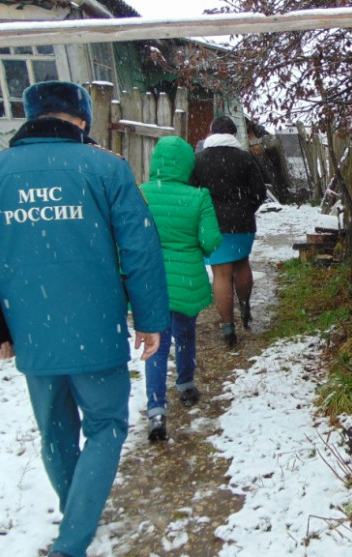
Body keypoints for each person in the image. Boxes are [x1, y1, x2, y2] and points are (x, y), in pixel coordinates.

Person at [0, 81, 169, 557]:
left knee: (55, 432)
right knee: (106, 425)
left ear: (31, 118)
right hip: (95, 325)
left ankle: (77, 514)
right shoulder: (106, 168)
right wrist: (151, 318)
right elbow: (140, 248)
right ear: (81, 119)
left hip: (32, 330)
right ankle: (72, 541)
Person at [140, 135, 222, 441]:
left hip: (149, 281)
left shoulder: (141, 194)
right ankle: (186, 383)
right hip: (185, 279)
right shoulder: (198, 197)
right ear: (188, 164)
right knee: (185, 331)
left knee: (155, 343)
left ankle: (156, 410)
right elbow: (211, 240)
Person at [190, 116, 267, 347]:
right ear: (234, 134)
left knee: (221, 273)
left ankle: (227, 328)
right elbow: (259, 192)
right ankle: (244, 307)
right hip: (242, 223)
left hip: (213, 225)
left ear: (211, 133)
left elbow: (193, 194)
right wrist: (245, 209)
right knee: (242, 264)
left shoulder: (199, 160)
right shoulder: (245, 159)